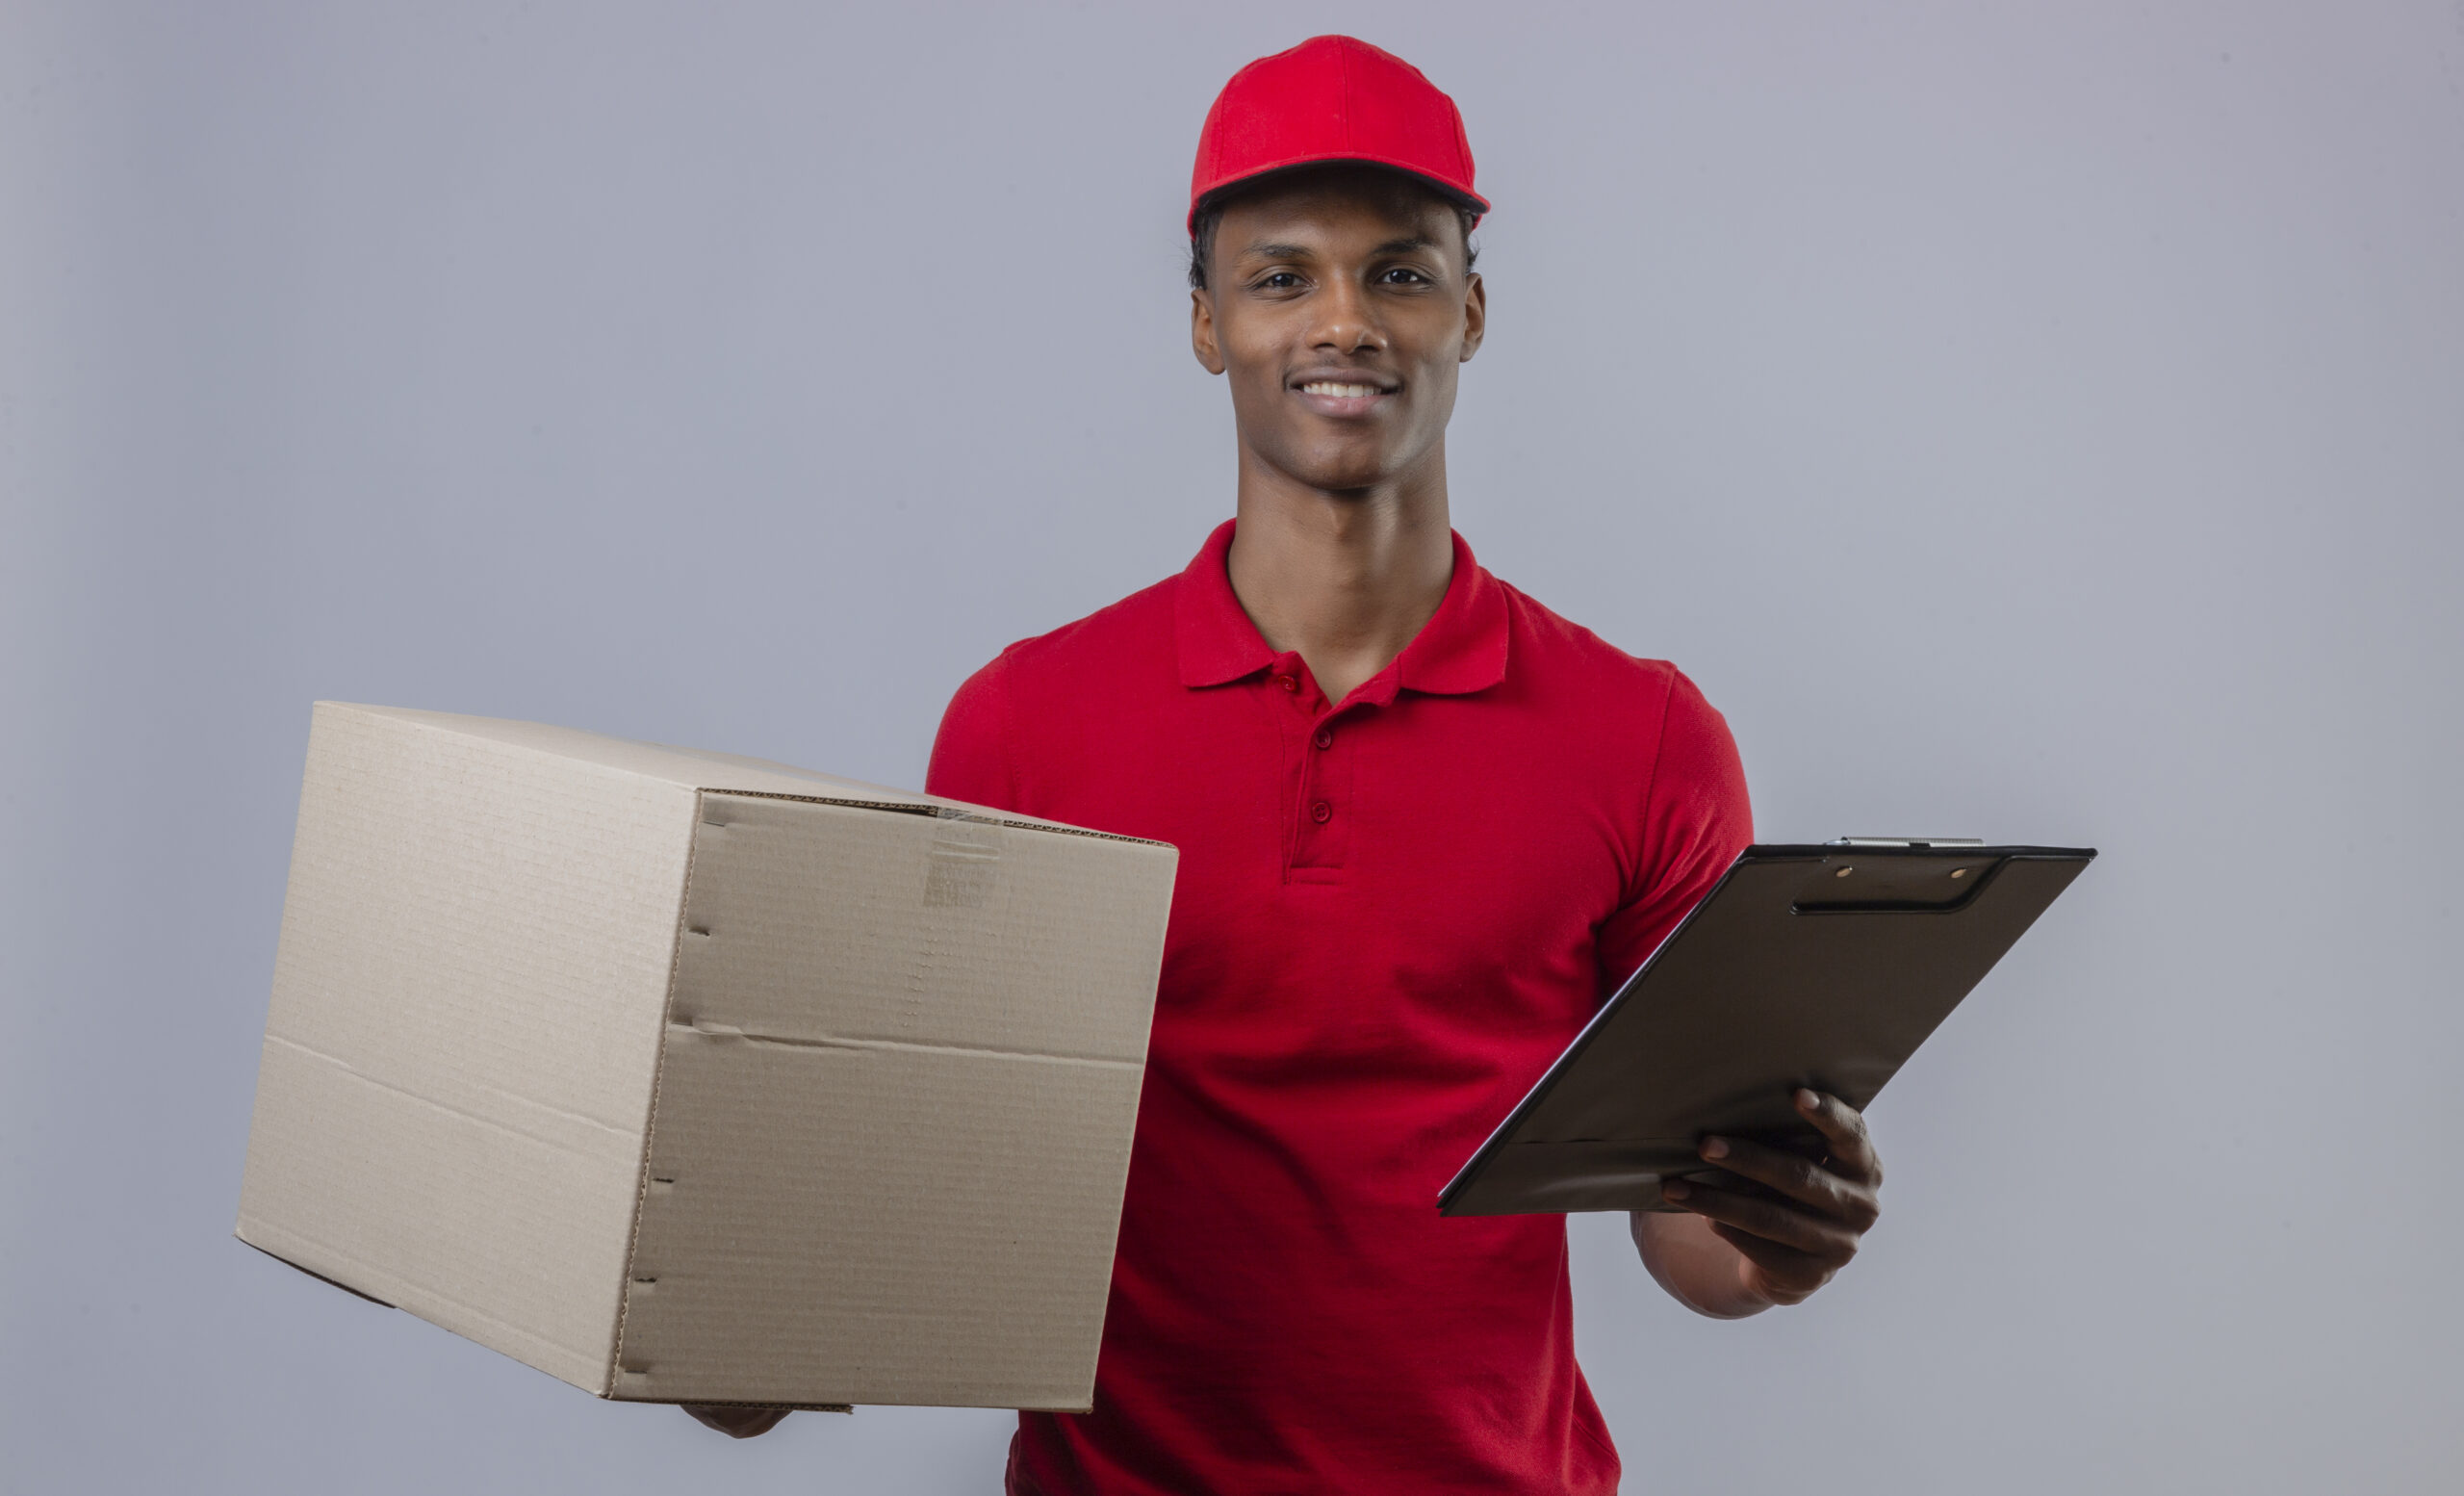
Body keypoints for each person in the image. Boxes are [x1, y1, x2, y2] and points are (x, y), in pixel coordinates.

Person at [689, 35, 1884, 1492]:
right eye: (1281, 276)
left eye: (1399, 271)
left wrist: (1780, 1236)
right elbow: (938, 1160)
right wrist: (740, 1319)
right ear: (1205, 322)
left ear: (1473, 310)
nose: (1347, 322)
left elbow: (1693, 1243)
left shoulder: (1646, 739)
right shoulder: (1023, 724)